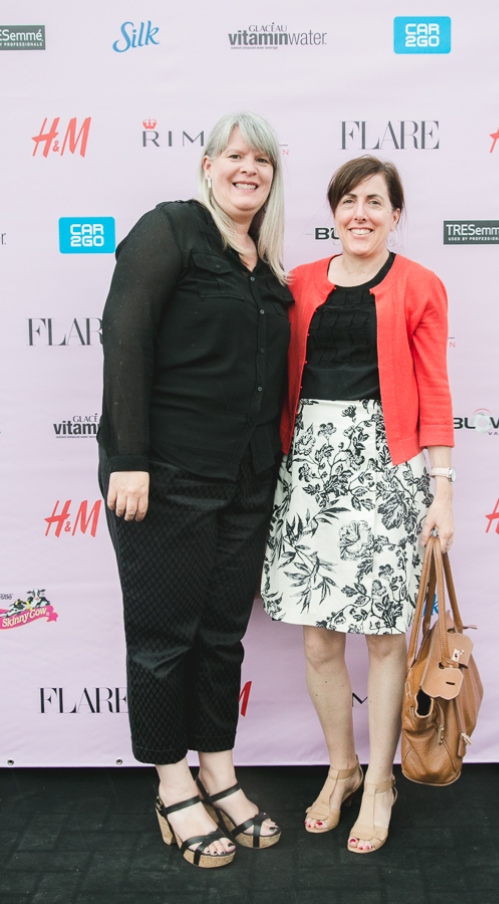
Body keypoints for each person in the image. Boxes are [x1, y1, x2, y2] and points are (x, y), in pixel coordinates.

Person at [98, 112, 293, 868]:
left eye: (262, 160)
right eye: (235, 155)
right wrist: (129, 457)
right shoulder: (171, 229)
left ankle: (218, 769)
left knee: (220, 636)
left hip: (246, 482)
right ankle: (172, 783)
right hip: (167, 477)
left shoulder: (265, 266)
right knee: (163, 639)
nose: (249, 169)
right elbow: (126, 335)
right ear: (208, 165)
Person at [262, 156, 454, 854]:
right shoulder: (298, 283)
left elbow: (434, 390)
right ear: (334, 212)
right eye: (348, 201)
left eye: (375, 201)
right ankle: (340, 769)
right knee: (318, 637)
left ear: (396, 215)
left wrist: (443, 489)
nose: (360, 213)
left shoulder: (420, 284)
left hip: (387, 474)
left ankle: (379, 782)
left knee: (382, 637)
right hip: (311, 473)